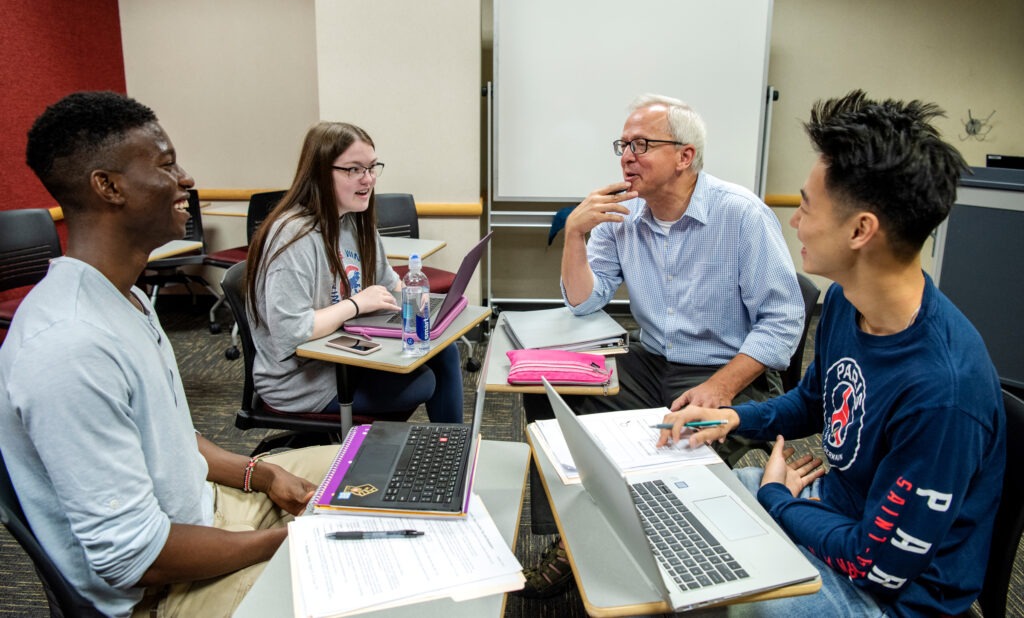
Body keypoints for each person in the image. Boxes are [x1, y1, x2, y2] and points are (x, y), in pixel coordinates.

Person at [659, 90, 1005, 617]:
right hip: (831, 513)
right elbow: (817, 402)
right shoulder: (848, 299)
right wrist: (734, 416)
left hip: (888, 594)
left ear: (861, 230)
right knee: (689, 508)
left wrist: (780, 502)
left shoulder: (942, 392)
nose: (794, 221)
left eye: (806, 205)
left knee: (724, 598)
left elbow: (877, 562)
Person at [0, 91, 339, 618]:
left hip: (207, 516)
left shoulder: (126, 296)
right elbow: (136, 557)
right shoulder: (69, 346)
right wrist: (290, 542)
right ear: (107, 187)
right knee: (358, 577)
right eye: (166, 164)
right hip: (162, 591)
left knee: (372, 470)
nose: (185, 179)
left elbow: (170, 441)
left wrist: (262, 475)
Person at [517, 93, 805, 598]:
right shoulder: (621, 215)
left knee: (666, 452)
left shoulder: (742, 215)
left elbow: (783, 322)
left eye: (641, 144)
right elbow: (586, 303)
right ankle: (571, 539)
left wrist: (721, 386)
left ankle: (662, 563)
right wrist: (575, 237)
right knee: (551, 403)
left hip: (730, 366)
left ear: (685, 156)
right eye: (623, 145)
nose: (627, 155)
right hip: (651, 359)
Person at [245, 122, 462, 422]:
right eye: (354, 169)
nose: (369, 179)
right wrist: (357, 304)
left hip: (345, 355)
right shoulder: (292, 236)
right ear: (321, 172)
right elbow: (292, 332)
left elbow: (389, 287)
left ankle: (454, 455)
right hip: (303, 380)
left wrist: (429, 309)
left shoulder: (354, 221)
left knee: (444, 352)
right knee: (420, 381)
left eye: (372, 167)